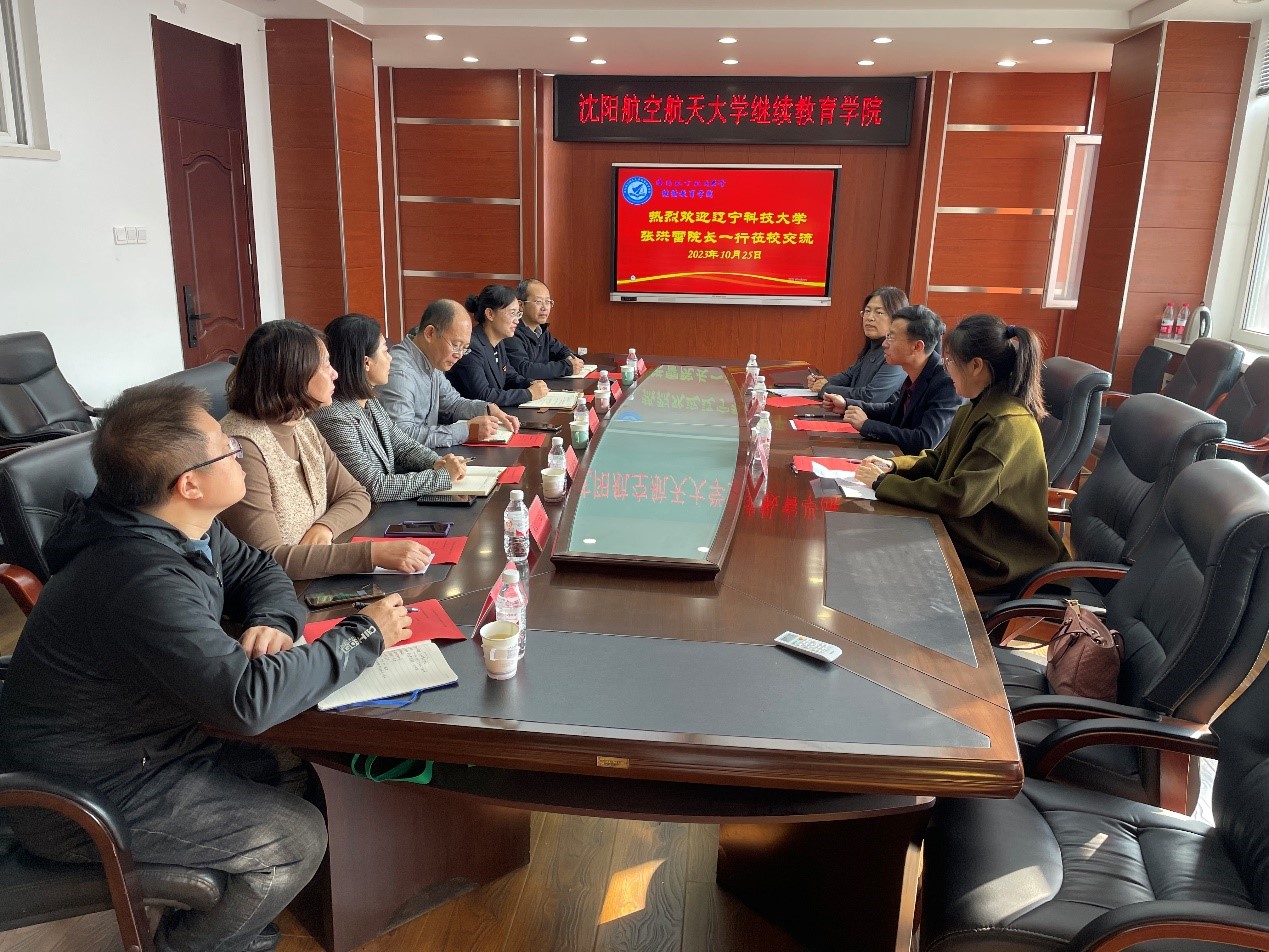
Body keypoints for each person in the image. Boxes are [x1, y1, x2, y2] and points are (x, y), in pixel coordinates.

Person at [0, 381, 414, 952]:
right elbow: (247, 703)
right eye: (227, 449)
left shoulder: (181, 525)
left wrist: (274, 620)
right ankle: (190, 943)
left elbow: (261, 571)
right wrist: (364, 635)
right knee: (294, 839)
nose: (240, 453)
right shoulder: (139, 579)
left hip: (150, 742)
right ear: (188, 484)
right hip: (83, 793)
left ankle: (227, 904)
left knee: (293, 765)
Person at [855, 314, 1067, 593]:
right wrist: (893, 466)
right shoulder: (975, 408)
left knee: (878, 566)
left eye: (949, 362)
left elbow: (960, 498)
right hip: (968, 535)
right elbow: (938, 459)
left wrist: (884, 484)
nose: (946, 370)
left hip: (997, 559)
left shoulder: (1007, 424)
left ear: (976, 366)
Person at [219, 320, 432, 580]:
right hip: (275, 591)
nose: (335, 374)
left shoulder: (301, 423)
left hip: (313, 575)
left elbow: (356, 494)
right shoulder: (241, 446)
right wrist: (372, 554)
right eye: (326, 366)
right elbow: (269, 559)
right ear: (295, 375)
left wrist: (325, 527)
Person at [314, 313, 468, 502]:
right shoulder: (333, 416)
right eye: (385, 351)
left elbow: (403, 445)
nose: (390, 358)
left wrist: (437, 462)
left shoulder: (369, 401)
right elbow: (373, 486)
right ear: (366, 362)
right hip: (369, 515)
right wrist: (441, 477)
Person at [378, 298, 522, 449]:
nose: (459, 355)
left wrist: (487, 408)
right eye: (455, 345)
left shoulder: (432, 359)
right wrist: (467, 431)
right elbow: (402, 438)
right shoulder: (400, 372)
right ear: (430, 333)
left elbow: (452, 403)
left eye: (464, 348)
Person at [822, 304, 962, 455]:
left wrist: (867, 425)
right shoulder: (916, 371)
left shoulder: (947, 382)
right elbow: (895, 411)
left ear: (917, 346)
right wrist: (846, 404)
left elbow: (924, 441)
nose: (884, 344)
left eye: (891, 337)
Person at [447, 284, 550, 407]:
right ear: (490, 314)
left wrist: (531, 383)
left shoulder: (498, 342)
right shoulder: (471, 346)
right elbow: (483, 395)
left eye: (518, 314)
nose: (517, 320)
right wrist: (529, 394)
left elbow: (510, 376)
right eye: (512, 313)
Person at [807, 286, 908, 402]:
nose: (870, 318)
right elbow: (850, 376)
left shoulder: (897, 356)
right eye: (867, 311)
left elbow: (870, 396)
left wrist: (826, 388)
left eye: (879, 313)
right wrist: (822, 382)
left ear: (896, 319)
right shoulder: (873, 346)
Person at [505, 278, 585, 380]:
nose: (544, 308)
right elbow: (524, 370)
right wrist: (566, 366)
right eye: (538, 302)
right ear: (520, 305)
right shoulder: (511, 332)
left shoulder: (541, 331)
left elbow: (562, 350)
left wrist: (572, 359)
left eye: (547, 302)